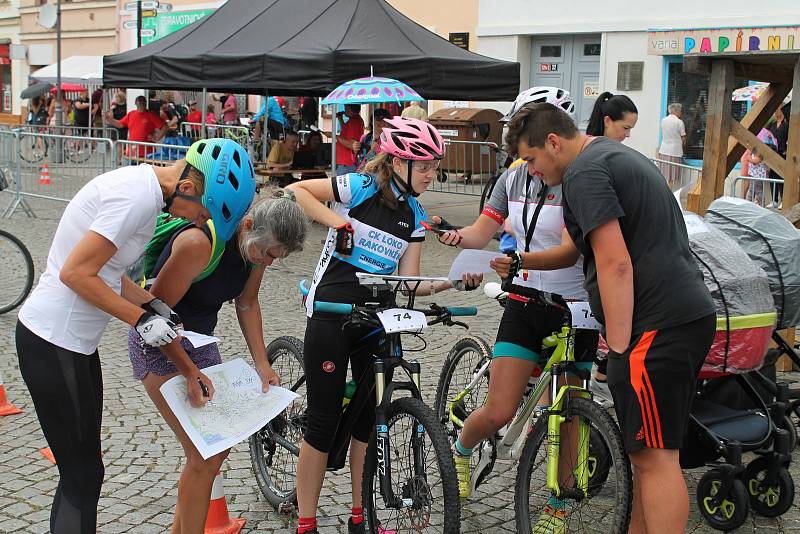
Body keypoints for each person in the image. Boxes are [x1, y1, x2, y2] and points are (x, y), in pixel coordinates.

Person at [14, 137, 257, 534]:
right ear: (189, 189)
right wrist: (140, 320)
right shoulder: (136, 199)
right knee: (82, 477)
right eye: (202, 215)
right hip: (52, 339)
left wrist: (153, 306)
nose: (197, 224)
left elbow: (111, 273)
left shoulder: (147, 197)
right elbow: (75, 274)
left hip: (75, 345)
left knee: (85, 472)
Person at [506, 102, 715, 534]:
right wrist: (522, 259)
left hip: (655, 326)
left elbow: (615, 263)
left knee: (657, 460)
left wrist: (618, 347)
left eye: (530, 160)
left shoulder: (584, 172)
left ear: (553, 142)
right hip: (681, 317)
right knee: (645, 457)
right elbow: (592, 249)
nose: (530, 171)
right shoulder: (611, 156)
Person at [287, 117, 481, 534]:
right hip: (331, 312)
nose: (432, 174)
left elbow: (408, 283)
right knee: (323, 422)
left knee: (364, 421)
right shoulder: (358, 187)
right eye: (424, 165)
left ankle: (361, 516)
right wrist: (338, 222)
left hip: (376, 320)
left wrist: (453, 281)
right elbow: (296, 190)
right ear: (396, 161)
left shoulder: (414, 213)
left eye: (434, 165)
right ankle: (306, 522)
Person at [437, 89, 598, 527]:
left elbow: (570, 250)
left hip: (575, 306)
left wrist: (522, 261)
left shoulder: (581, 178)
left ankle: (558, 507)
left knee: (566, 415)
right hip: (526, 301)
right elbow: (481, 232)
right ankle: (462, 450)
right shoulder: (513, 178)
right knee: (500, 409)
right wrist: (453, 236)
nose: (532, 163)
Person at [128, 189, 306, 533]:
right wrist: (188, 370)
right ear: (248, 225)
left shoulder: (254, 250)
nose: (268, 262)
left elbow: (248, 303)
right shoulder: (199, 243)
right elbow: (153, 318)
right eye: (268, 253)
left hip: (200, 342)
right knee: (204, 454)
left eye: (277, 257)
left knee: (214, 451)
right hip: (159, 344)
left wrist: (262, 363)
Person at [584, 91, 639, 408]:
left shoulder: (611, 156)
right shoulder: (593, 160)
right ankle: (602, 379)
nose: (628, 135)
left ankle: (602, 380)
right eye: (625, 128)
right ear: (607, 122)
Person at [104, 96, 165, 160]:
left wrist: (158, 138)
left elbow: (164, 126)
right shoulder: (131, 114)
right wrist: (109, 119)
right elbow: (120, 124)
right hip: (132, 152)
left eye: (143, 101)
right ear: (136, 103)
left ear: (146, 103)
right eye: (140, 101)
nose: (141, 103)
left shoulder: (151, 115)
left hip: (147, 153)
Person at [657, 103, 686, 187]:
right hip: (674, 152)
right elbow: (683, 137)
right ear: (677, 111)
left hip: (664, 150)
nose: (681, 113)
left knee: (663, 174)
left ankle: (663, 192)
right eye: (681, 111)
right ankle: (669, 193)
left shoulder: (663, 120)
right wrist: (683, 143)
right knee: (671, 176)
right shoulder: (679, 122)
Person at [768, 102, 790, 206]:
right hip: (773, 153)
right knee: (773, 176)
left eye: (777, 108)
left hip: (783, 154)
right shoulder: (772, 124)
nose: (775, 111)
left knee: (782, 176)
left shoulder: (787, 123)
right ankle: (774, 200)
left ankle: (783, 200)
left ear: (782, 109)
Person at [335, 104, 364, 176]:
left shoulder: (354, 121)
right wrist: (340, 118)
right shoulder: (353, 120)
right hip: (346, 163)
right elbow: (345, 132)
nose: (344, 110)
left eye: (345, 107)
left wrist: (335, 136)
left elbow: (352, 144)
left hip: (347, 163)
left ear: (348, 108)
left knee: (341, 186)